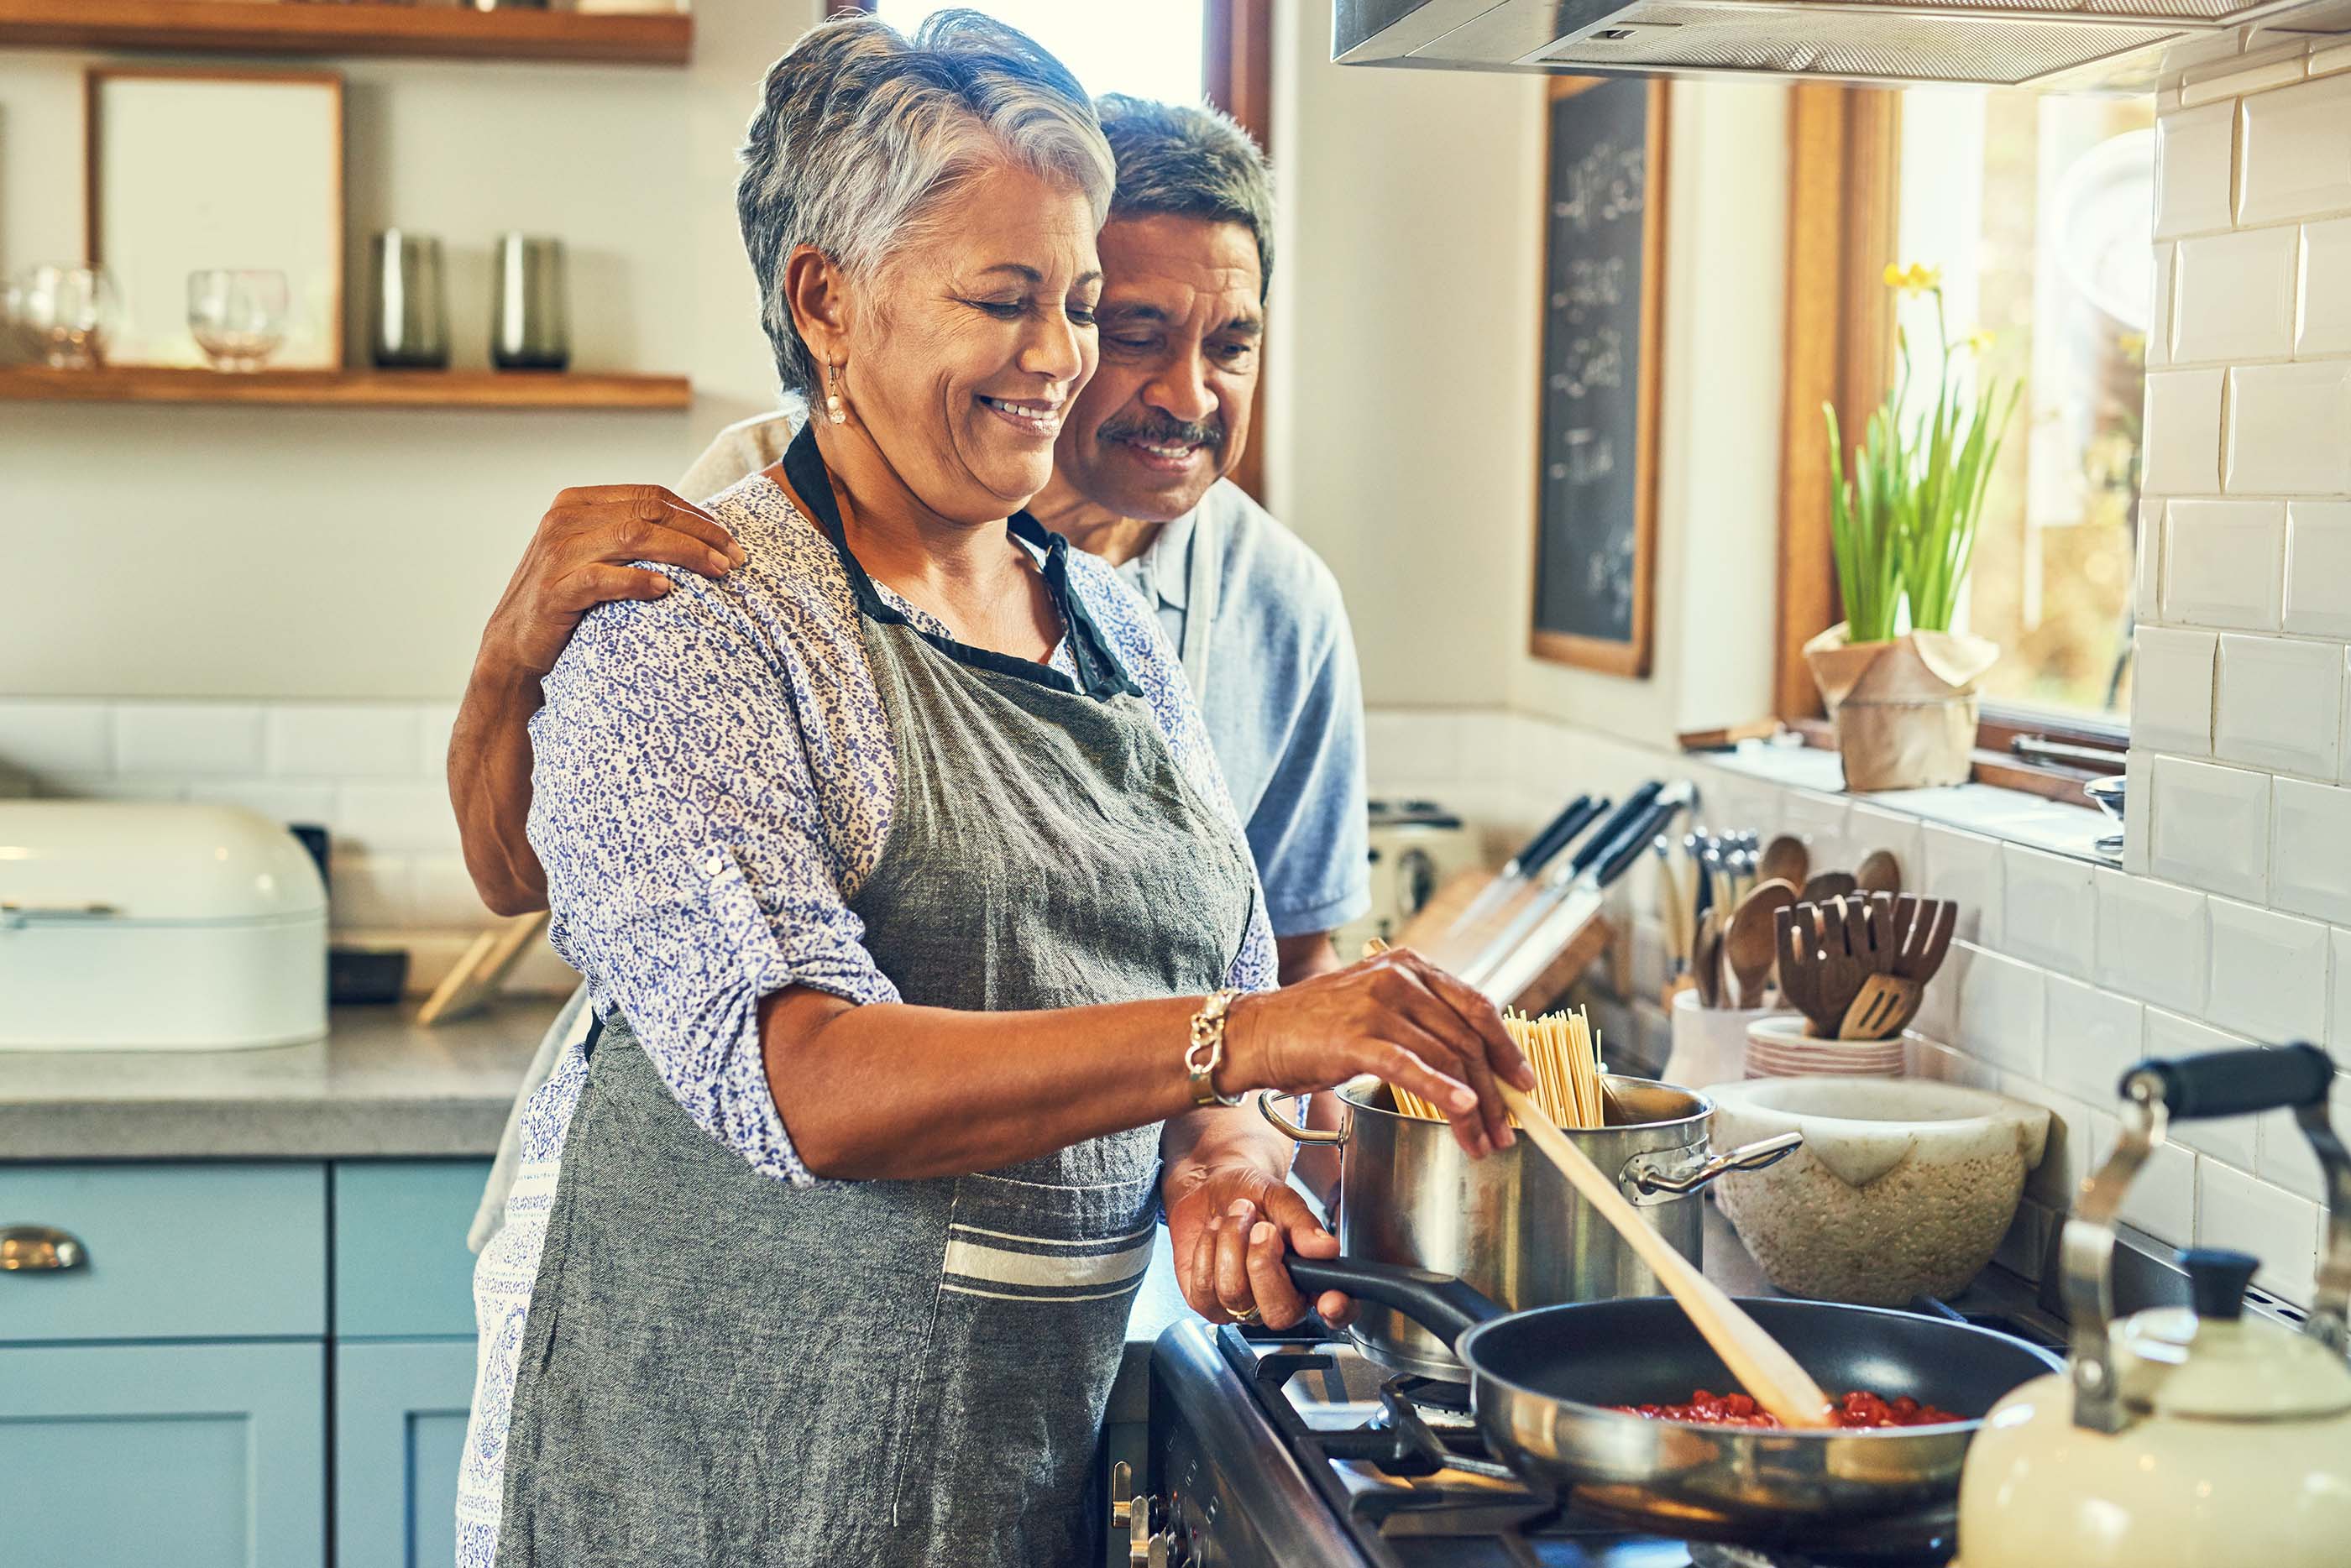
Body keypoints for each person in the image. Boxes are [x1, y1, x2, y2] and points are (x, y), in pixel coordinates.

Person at [454, 15, 1528, 1568]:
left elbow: (1214, 973)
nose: (1063, 359)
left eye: (1077, 304)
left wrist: (1228, 1148)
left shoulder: (1095, 616)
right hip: (730, 1454)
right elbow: (801, 1081)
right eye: (1007, 300)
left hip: (996, 1451)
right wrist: (1254, 1036)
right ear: (828, 301)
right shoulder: (694, 603)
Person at [455, 94, 1367, 1248]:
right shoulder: (749, 536)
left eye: (1229, 344)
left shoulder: (1226, 612)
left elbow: (1275, 969)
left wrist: (1231, 1168)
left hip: (1058, 1307)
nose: (1185, 396)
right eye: (1128, 327)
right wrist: (508, 665)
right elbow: (539, 887)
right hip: (725, 1274)